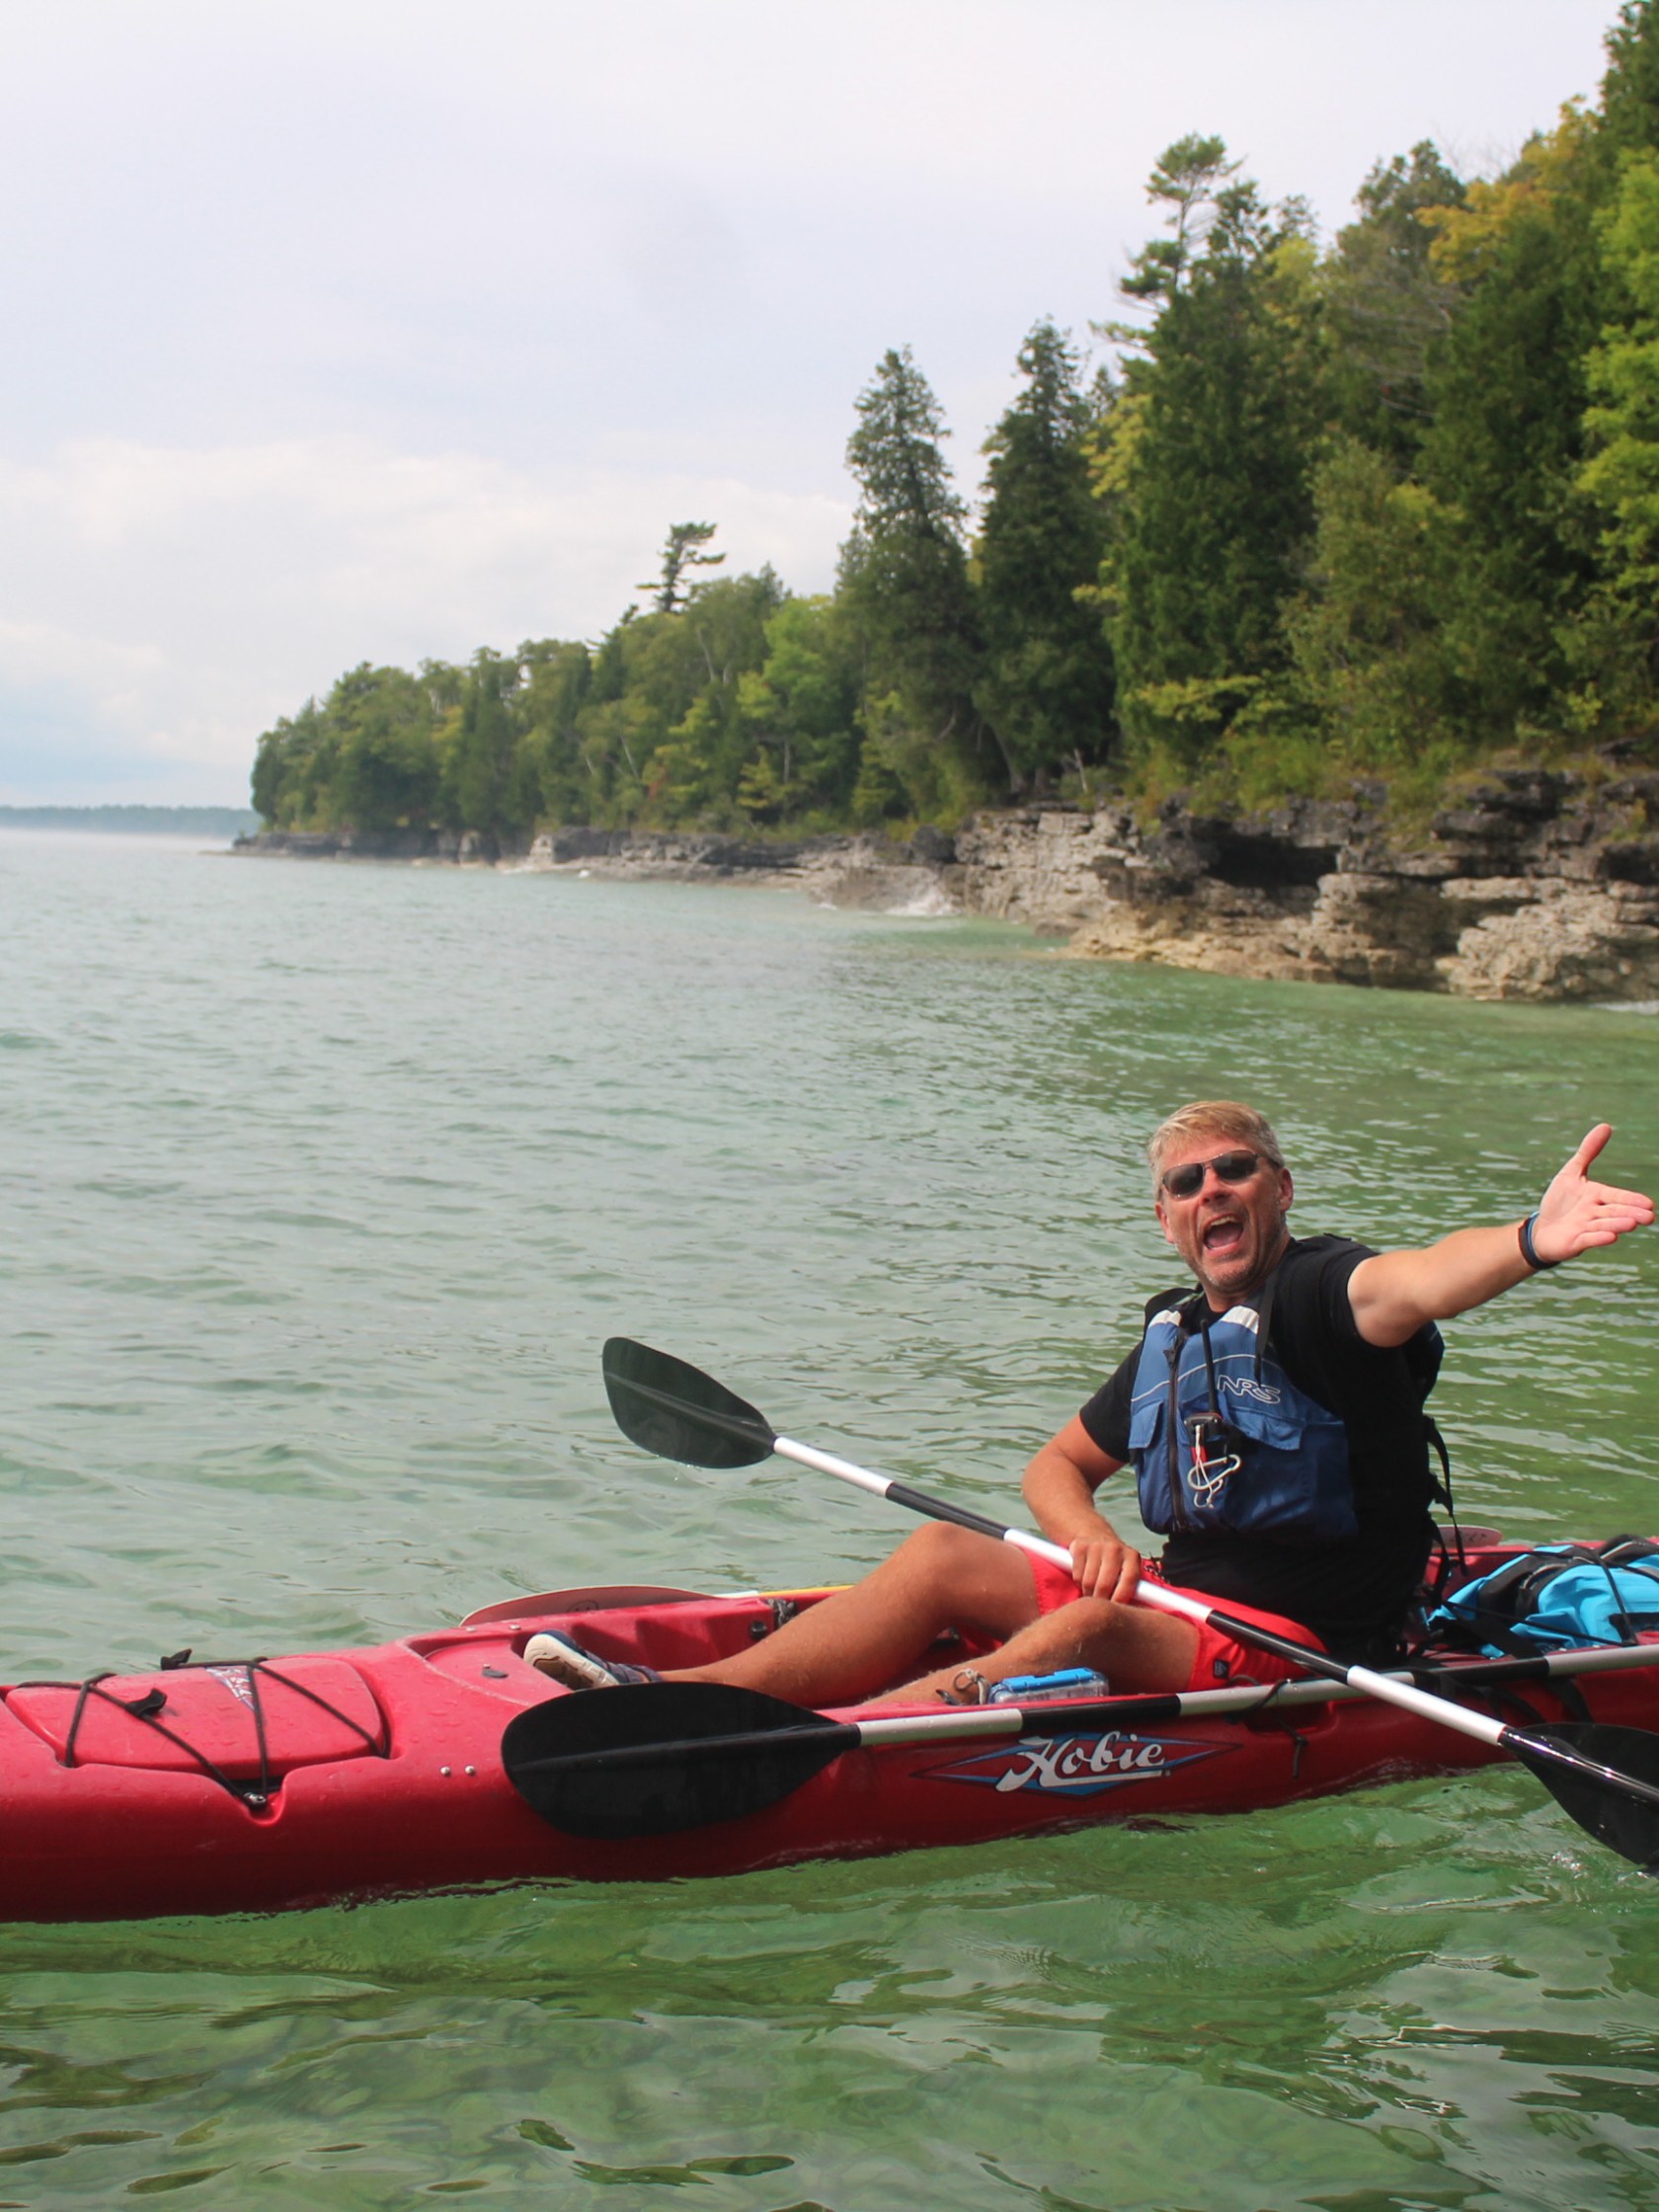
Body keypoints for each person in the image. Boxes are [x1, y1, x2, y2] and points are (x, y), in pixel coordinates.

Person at [530, 1102, 1654, 1708]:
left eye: (1235, 1168)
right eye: (1186, 1182)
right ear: (1167, 1216)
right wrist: (1090, 1534)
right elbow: (1053, 1468)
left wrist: (1528, 1243)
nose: (1211, 1189)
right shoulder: (1176, 1332)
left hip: (1309, 1644)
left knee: (1085, 1624)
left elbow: (1421, 1275)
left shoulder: (1322, 1292)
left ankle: (845, 1738)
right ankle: (677, 1696)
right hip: (1184, 1600)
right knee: (939, 1552)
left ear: (1281, 1188)